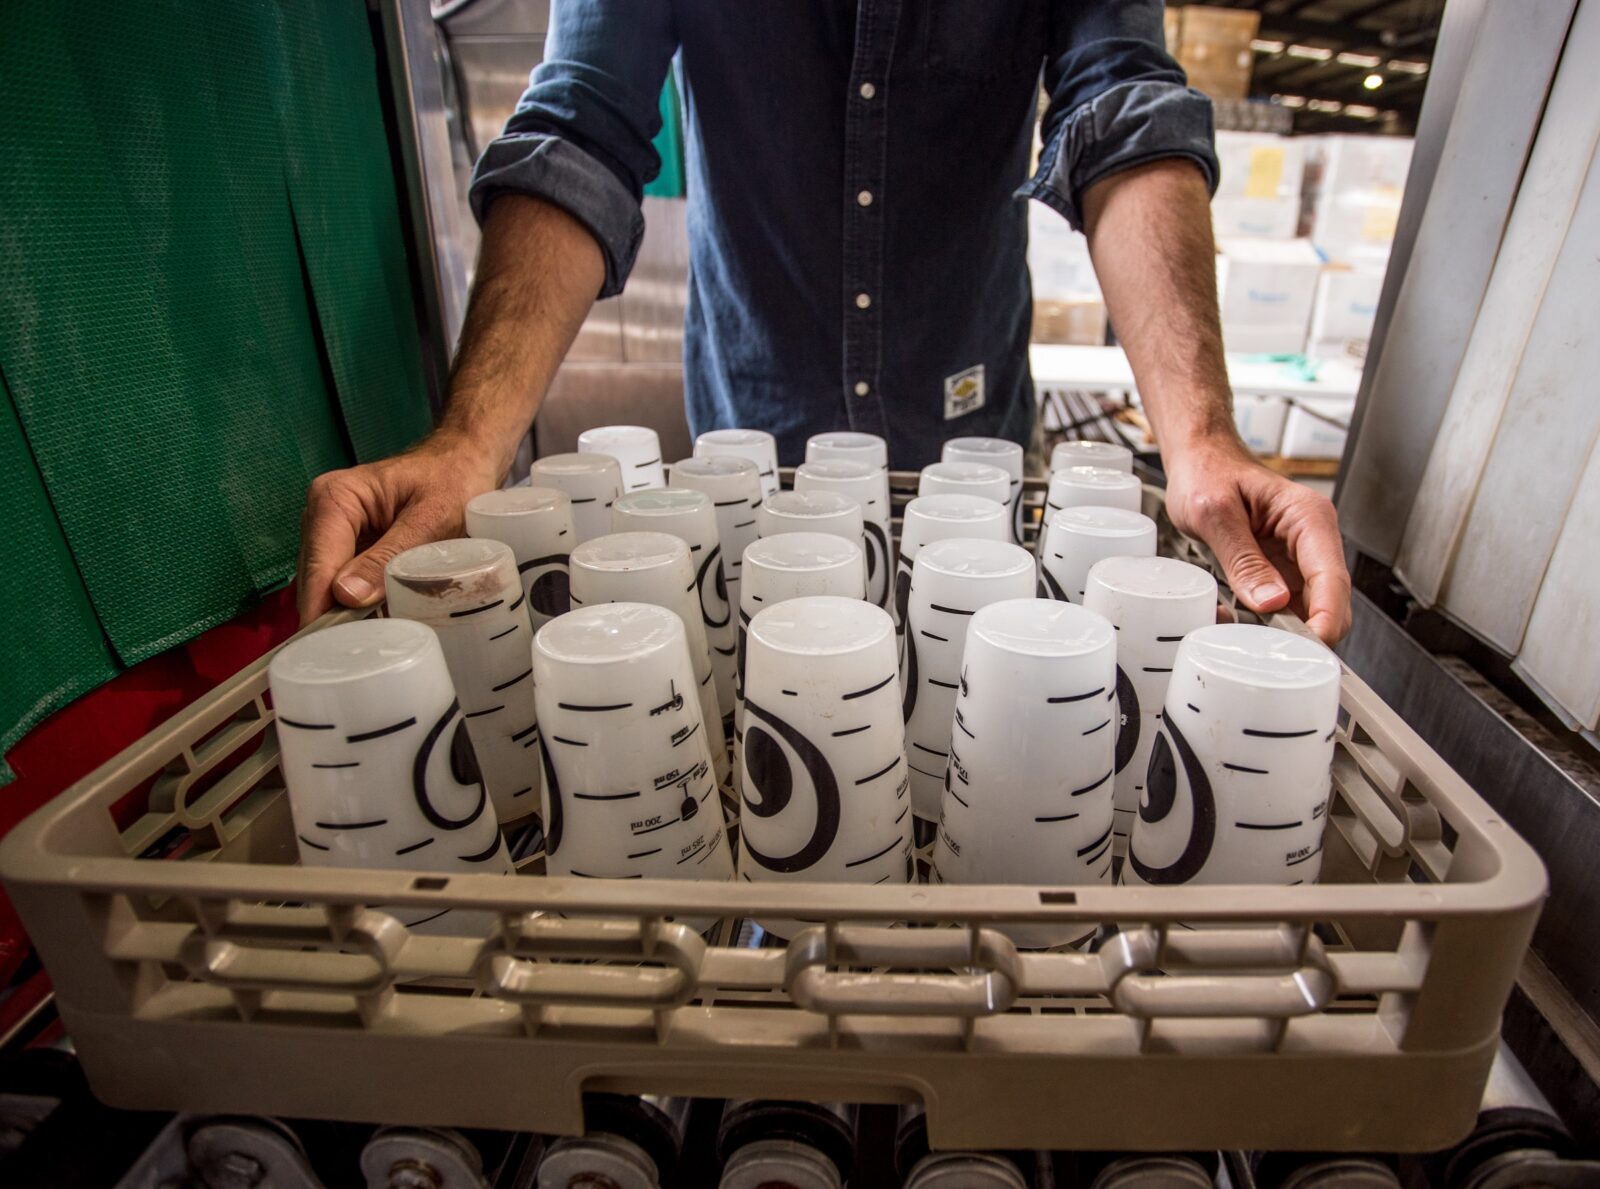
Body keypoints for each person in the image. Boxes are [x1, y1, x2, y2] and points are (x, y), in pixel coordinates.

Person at [297, 0, 1351, 644]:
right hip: (752, 445)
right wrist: (468, 446)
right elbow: (581, 122)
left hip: (968, 435)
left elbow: (1119, 103)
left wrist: (1199, 439)